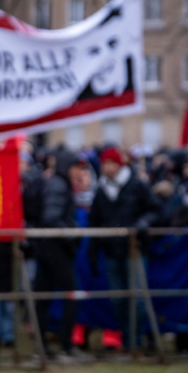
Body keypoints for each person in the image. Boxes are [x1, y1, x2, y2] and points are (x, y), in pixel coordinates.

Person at [88, 146, 160, 351]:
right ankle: (127, 339)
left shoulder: (137, 184)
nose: (108, 168)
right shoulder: (101, 190)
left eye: (111, 164)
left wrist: (144, 222)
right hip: (111, 251)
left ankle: (138, 340)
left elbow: (155, 210)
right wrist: (93, 252)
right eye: (105, 164)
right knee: (117, 300)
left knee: (138, 298)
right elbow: (95, 222)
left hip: (134, 250)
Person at [33, 150, 83, 359]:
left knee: (43, 298)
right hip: (56, 249)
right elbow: (51, 218)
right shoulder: (59, 185)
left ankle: (43, 345)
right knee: (71, 294)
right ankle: (66, 345)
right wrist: (72, 235)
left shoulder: (54, 183)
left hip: (47, 248)